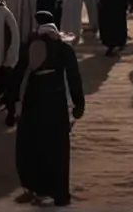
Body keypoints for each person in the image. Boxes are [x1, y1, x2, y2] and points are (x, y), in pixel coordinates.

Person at [12, 13, 84, 206]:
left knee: (32, 145)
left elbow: (18, 75)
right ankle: (60, 194)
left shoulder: (29, 47)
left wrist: (12, 104)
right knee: (57, 149)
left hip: (32, 100)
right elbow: (74, 78)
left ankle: (35, 188)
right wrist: (78, 105)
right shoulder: (63, 49)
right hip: (55, 100)